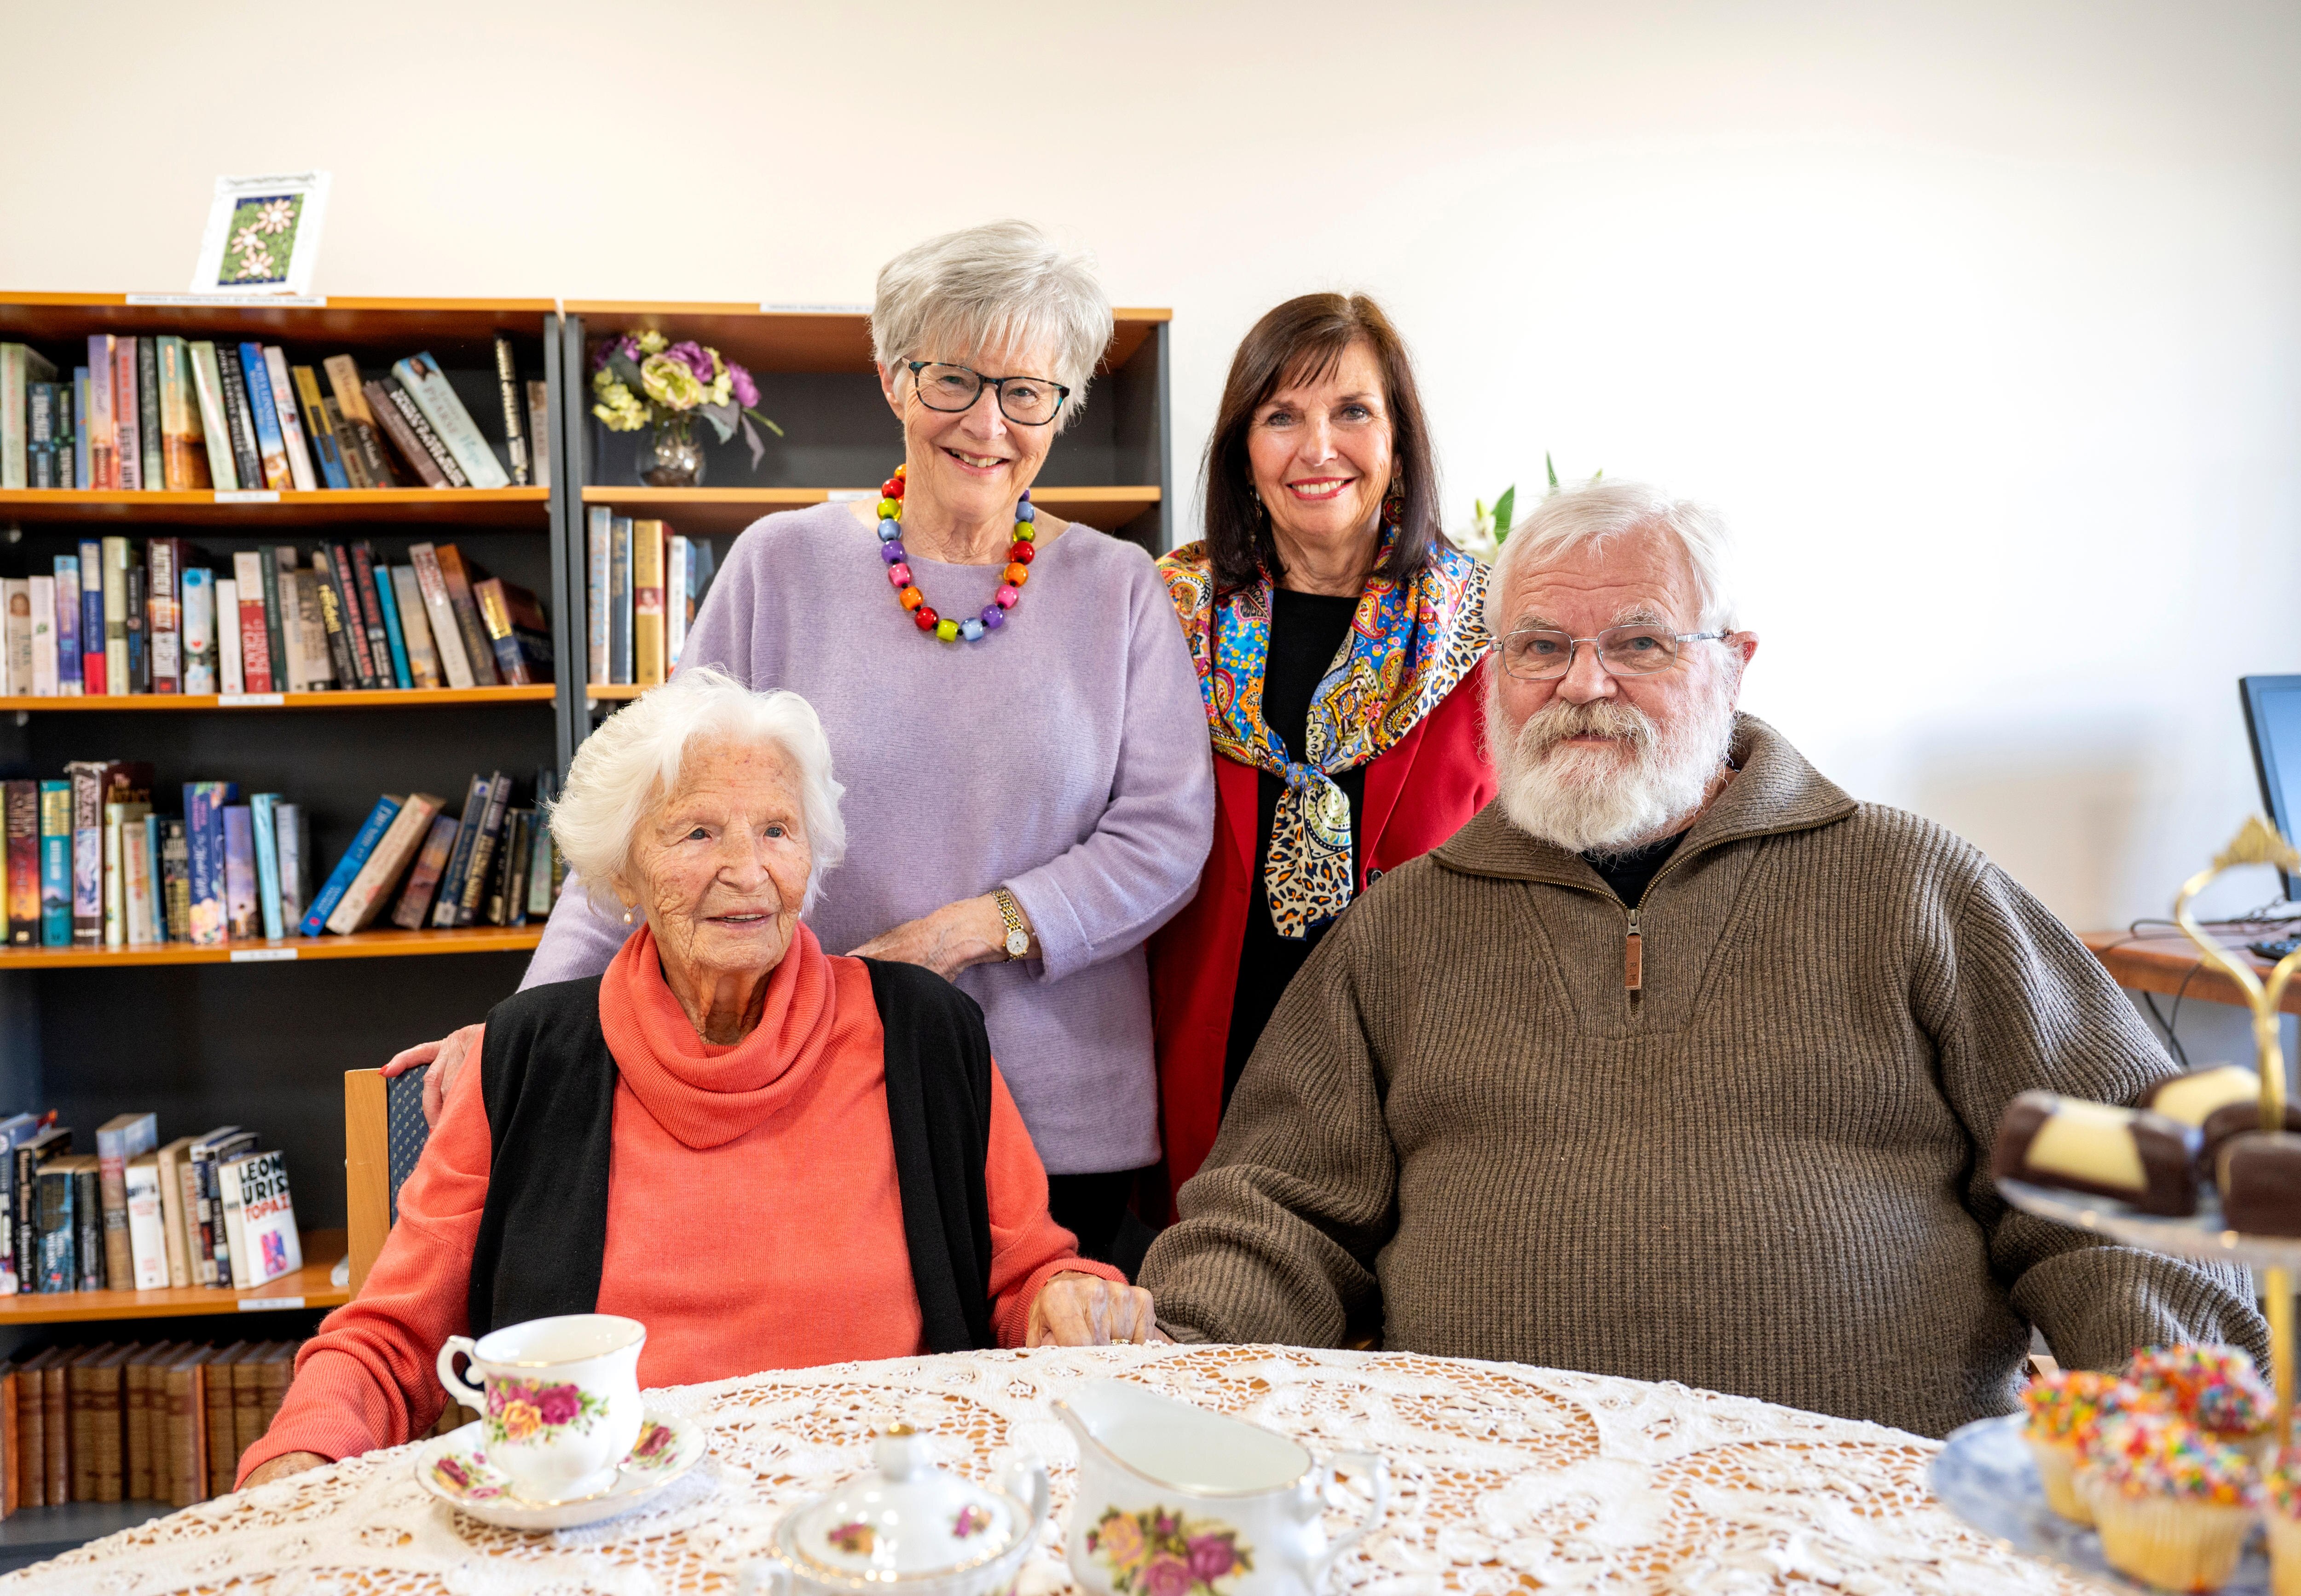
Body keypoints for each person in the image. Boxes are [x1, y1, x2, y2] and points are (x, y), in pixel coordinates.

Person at [1136, 479, 2268, 1440]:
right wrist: (1159, 1362)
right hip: (1488, 1514)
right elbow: (1277, 1213)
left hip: (1868, 1514)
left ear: (1734, 663)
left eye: (1638, 642)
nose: (1583, 684)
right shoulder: (1401, 929)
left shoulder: (1911, 882)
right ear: (1492, 672)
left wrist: (2167, 1426)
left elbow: (2127, 1184)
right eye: (1539, 646)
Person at [387, 221, 1214, 1270]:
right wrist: (525, 1030)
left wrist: (953, 936)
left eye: (1027, 390)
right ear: (892, 378)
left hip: (1060, 1112)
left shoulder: (1121, 589)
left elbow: (1164, 836)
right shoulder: (779, 564)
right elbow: (658, 817)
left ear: (1063, 407)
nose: (988, 423)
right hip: (816, 1084)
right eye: (953, 379)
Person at [242, 670, 1157, 1488]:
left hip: (884, 1520)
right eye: (696, 831)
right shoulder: (524, 1059)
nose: (747, 871)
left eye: (776, 830)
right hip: (607, 1533)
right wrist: (296, 1461)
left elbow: (1028, 1275)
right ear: (624, 869)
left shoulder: (922, 1033)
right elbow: (389, 1339)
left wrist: (1069, 1298)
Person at [1149, 294, 1492, 1209]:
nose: (1316, 448)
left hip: (1422, 1061)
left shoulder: (1482, 631)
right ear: (1241, 448)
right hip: (1205, 1048)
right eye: (1280, 416)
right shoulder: (1166, 613)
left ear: (1398, 439)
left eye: (1351, 411)